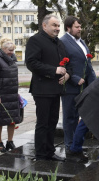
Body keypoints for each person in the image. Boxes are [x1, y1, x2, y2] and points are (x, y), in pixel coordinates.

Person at [25, 14, 72, 161]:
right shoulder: (35, 40)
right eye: (54, 25)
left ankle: (50, 151)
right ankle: (40, 155)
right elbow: (31, 63)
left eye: (58, 26)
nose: (57, 28)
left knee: (52, 122)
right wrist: (54, 70)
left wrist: (67, 75)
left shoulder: (58, 43)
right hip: (42, 89)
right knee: (43, 123)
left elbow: (67, 62)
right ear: (44, 26)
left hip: (56, 89)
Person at [59, 16, 96, 152]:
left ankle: (76, 144)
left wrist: (93, 83)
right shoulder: (62, 42)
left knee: (80, 116)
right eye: (77, 27)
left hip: (84, 86)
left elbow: (88, 64)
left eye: (80, 27)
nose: (80, 29)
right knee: (70, 117)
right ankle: (69, 145)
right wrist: (74, 78)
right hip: (70, 86)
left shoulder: (82, 42)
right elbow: (62, 62)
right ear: (68, 28)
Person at [0, 38, 19, 152]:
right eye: (9, 50)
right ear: (3, 49)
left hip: (12, 94)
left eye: (12, 50)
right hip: (1, 95)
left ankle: (10, 141)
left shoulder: (13, 58)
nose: (11, 52)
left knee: (11, 119)